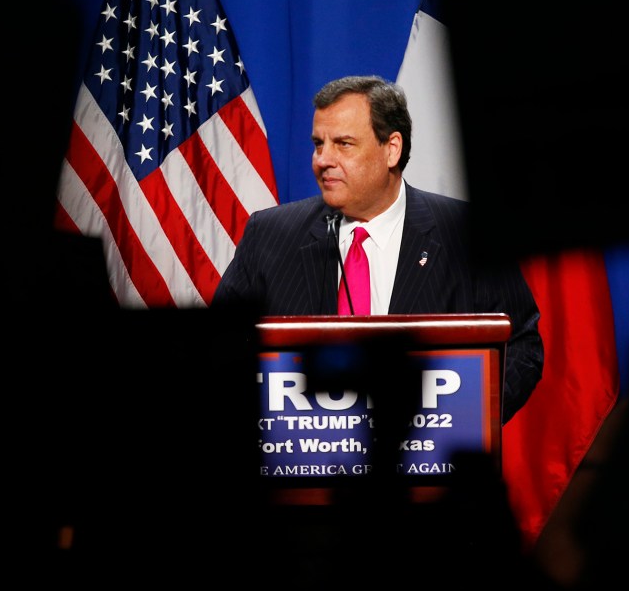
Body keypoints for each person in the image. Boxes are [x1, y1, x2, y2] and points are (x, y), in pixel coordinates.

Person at [213, 75, 543, 424]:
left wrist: (460, 421)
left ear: (392, 149)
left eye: (343, 144)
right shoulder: (270, 235)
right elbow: (219, 348)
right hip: (304, 464)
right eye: (318, 144)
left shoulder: (466, 234)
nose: (323, 160)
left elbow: (522, 344)